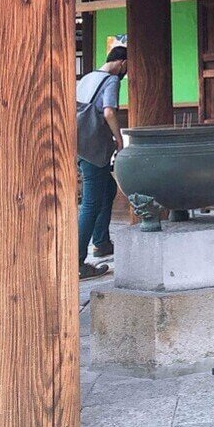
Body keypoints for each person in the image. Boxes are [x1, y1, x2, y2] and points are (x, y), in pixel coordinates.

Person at [76, 46, 127, 280]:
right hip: (94, 148)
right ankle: (77, 262)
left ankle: (102, 242)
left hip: (79, 145)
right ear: (122, 63)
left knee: (107, 189)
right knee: (91, 203)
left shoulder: (87, 78)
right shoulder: (111, 80)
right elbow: (108, 112)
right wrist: (118, 139)